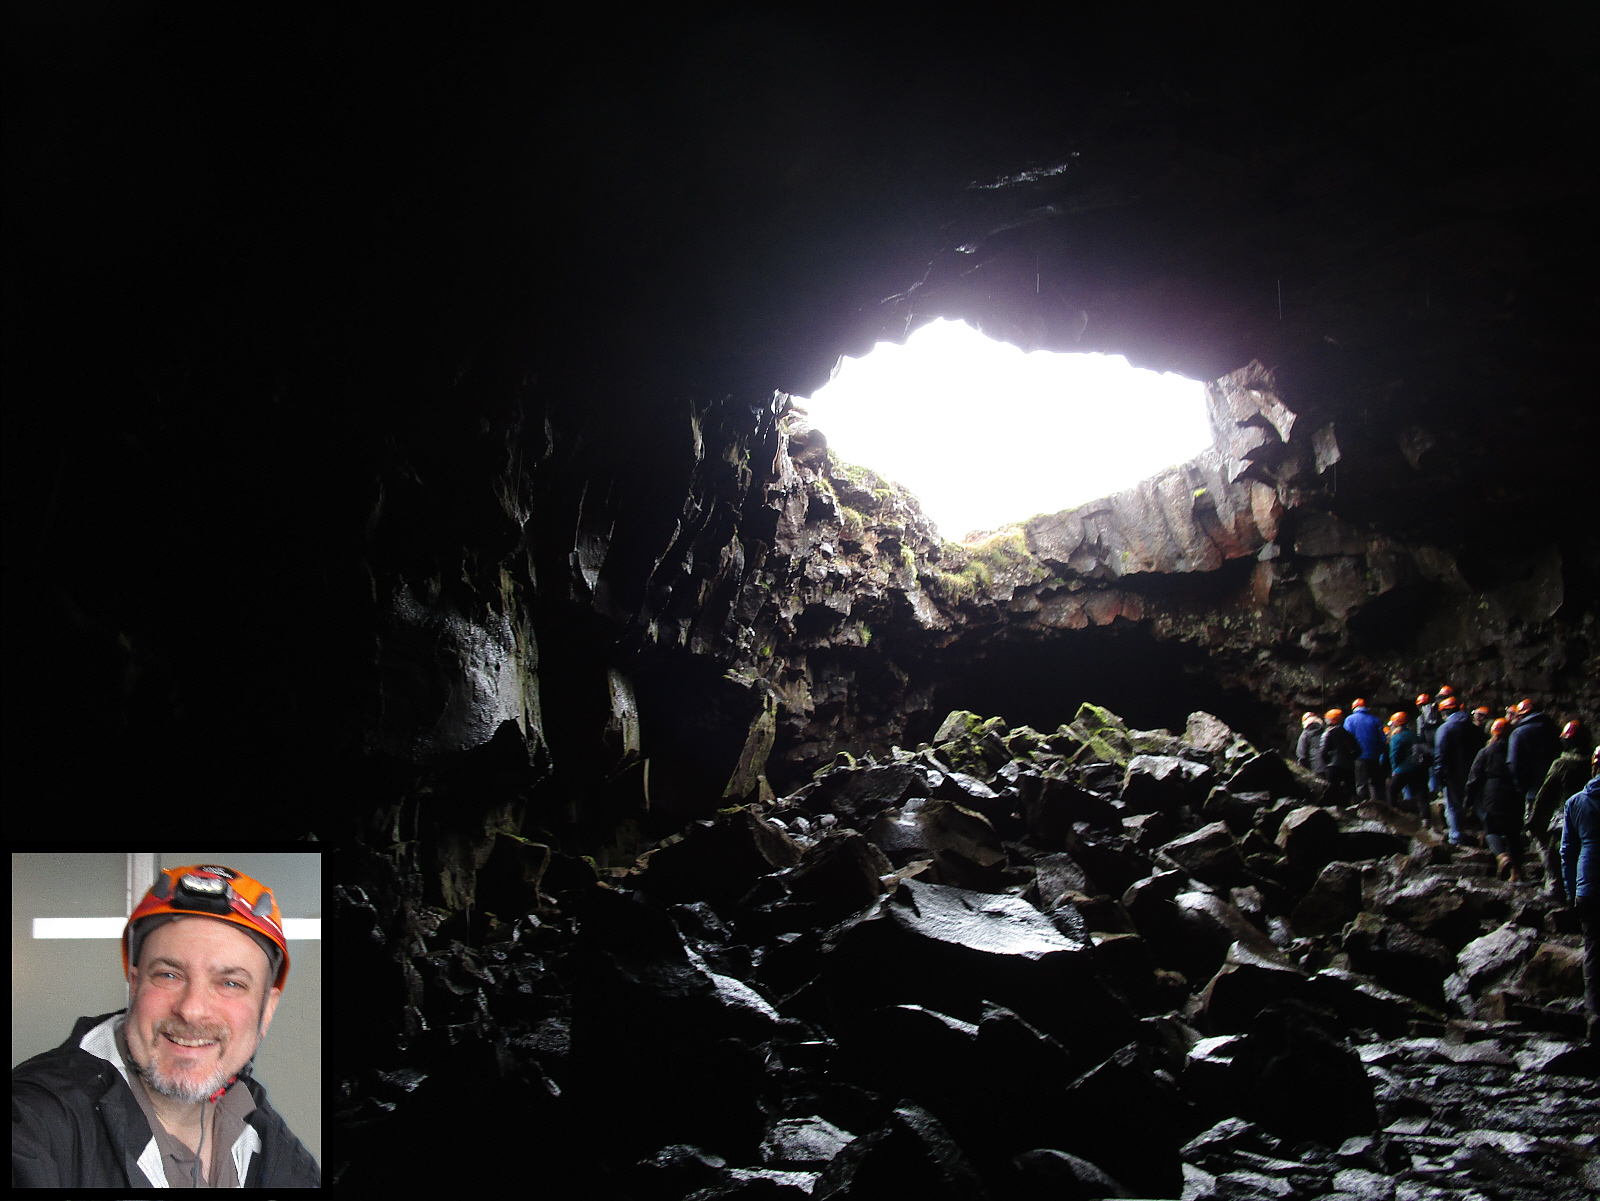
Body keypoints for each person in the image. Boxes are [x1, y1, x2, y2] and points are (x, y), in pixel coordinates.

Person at [12, 864, 320, 1188]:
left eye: (230, 983)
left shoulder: (270, 1141)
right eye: (168, 975)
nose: (192, 1010)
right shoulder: (34, 1124)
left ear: (267, 1010)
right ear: (134, 985)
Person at [1558, 747, 1600, 1043]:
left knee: (1594, 950)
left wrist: (1571, 890)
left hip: (1589, 886)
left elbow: (1567, 852)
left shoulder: (1576, 802)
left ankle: (1595, 1013)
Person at [1532, 722, 1594, 899]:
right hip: (1591, 816)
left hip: (1564, 816)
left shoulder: (1563, 764)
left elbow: (1545, 794)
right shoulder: (1593, 762)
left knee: (1554, 853)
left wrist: (1535, 820)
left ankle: (1556, 888)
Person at [1467, 718, 1524, 880]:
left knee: (1491, 828)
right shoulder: (1516, 750)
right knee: (1513, 833)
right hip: (1513, 792)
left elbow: (1474, 777)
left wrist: (1468, 801)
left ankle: (1502, 856)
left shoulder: (1486, 752)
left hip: (1492, 793)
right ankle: (1517, 872)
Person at [1435, 696, 1486, 845]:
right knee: (1481, 805)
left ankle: (1456, 838)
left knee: (1453, 807)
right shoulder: (1474, 728)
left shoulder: (1445, 729)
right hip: (1475, 773)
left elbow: (1440, 755)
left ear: (1444, 713)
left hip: (1453, 775)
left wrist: (1439, 778)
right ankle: (1494, 833)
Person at [1508, 698, 1561, 817]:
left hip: (1532, 790)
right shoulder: (1554, 729)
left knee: (1533, 823)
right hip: (1553, 788)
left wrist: (1522, 789)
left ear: (1521, 715)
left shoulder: (1519, 733)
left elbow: (1514, 764)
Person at [1388, 710, 1429, 823]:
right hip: (1418, 768)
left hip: (1402, 769)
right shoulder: (1415, 735)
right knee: (1422, 794)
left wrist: (1394, 769)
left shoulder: (1396, 737)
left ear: (1396, 724)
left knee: (1392, 792)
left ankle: (1393, 817)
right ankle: (1426, 819)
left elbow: (1394, 754)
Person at [1343, 699, 1387, 803]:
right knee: (1376, 784)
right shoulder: (1375, 720)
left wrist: (1350, 755)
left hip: (1359, 757)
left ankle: (1363, 806)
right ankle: (1380, 805)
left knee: (1361, 783)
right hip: (1374, 757)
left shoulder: (1350, 720)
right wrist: (1379, 753)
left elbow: (1346, 739)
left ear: (1354, 708)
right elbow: (1383, 739)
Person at [1314, 708, 1361, 797]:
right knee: (1351, 791)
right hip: (1348, 767)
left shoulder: (1327, 733)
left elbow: (1323, 752)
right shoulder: (1348, 734)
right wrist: (1350, 759)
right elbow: (1358, 751)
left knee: (1333, 792)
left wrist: (1328, 762)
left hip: (1333, 767)